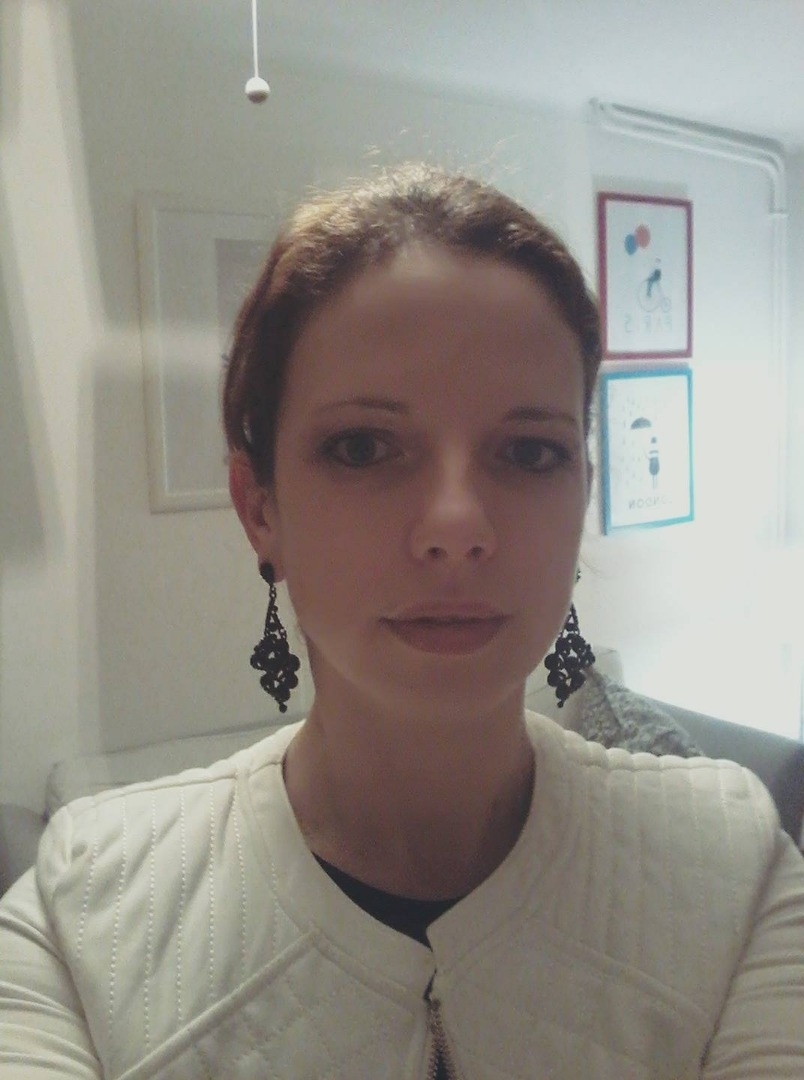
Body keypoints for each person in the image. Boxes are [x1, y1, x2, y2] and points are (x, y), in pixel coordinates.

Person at [1, 163, 802, 1079]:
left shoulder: (734, 871)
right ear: (260, 507)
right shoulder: (81, 917)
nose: (457, 526)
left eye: (529, 451)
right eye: (363, 447)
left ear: (581, 491)